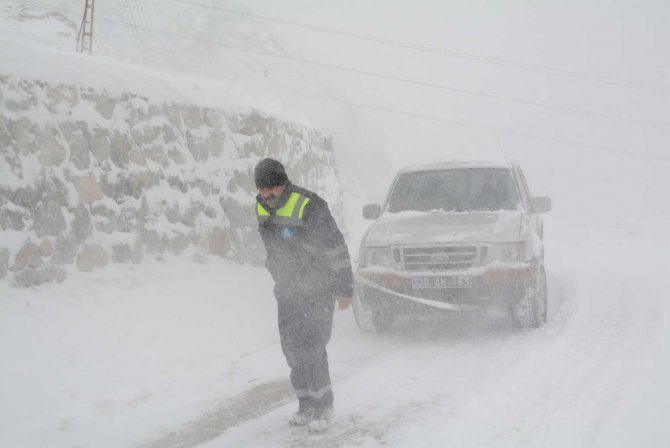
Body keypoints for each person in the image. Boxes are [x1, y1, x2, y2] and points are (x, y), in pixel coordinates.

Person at [254, 158, 353, 433]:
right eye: (263, 189)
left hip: (318, 288)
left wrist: (344, 288)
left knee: (312, 348)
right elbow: (272, 247)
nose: (268, 194)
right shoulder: (261, 206)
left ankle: (324, 407)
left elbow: (335, 246)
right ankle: (306, 404)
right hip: (287, 290)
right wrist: (276, 271)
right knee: (292, 348)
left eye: (273, 187)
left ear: (283, 184)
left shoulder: (310, 204)